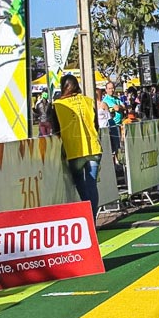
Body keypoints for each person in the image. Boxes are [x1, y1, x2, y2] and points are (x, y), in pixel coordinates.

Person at [51, 74, 102, 217]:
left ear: (63, 87)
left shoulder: (57, 105)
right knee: (92, 184)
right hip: (93, 148)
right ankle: (92, 217)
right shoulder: (88, 101)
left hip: (74, 151)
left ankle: (88, 216)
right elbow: (96, 125)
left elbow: (56, 130)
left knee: (80, 182)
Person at [102, 82, 126, 161]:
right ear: (106, 90)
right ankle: (115, 163)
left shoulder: (116, 98)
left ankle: (118, 161)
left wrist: (119, 107)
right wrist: (118, 108)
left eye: (112, 88)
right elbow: (115, 109)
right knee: (115, 145)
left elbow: (123, 107)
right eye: (109, 88)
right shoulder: (106, 100)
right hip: (112, 125)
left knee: (119, 144)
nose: (111, 90)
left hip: (119, 124)